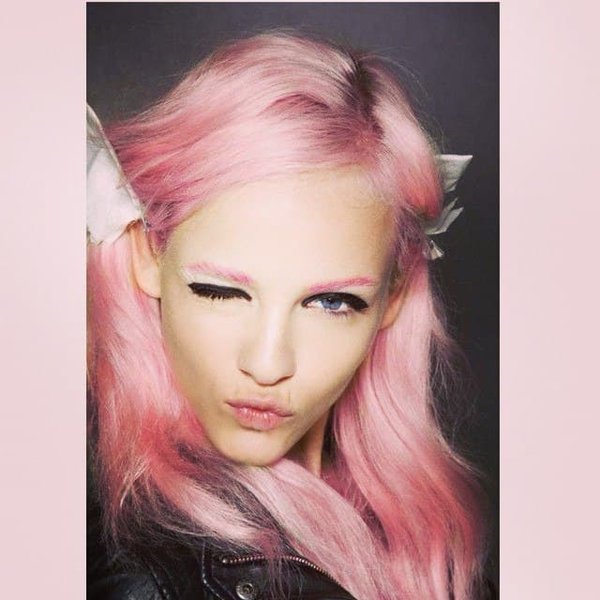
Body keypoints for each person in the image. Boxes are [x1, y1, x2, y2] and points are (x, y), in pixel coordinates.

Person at [87, 31, 493, 600]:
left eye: (331, 302)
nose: (267, 364)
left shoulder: (419, 533)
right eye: (221, 292)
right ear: (146, 257)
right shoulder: (132, 575)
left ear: (393, 297)